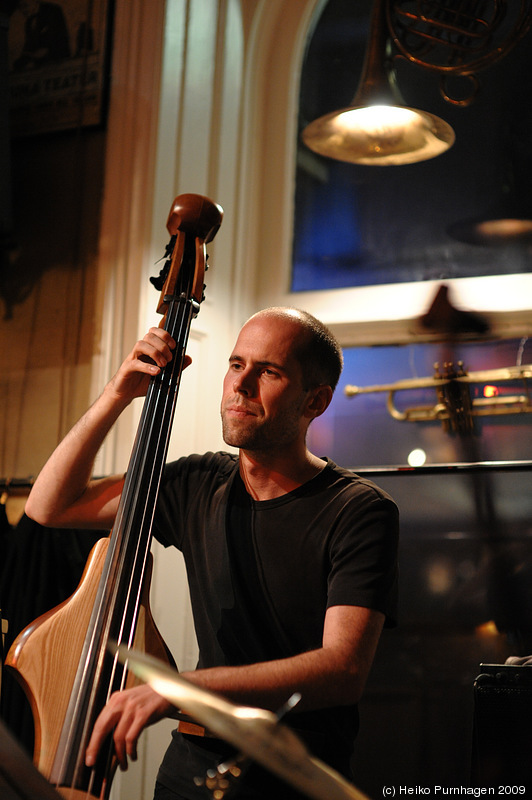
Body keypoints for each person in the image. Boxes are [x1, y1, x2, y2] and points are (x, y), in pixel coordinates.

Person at [25, 306, 399, 799]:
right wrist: (119, 393)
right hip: (190, 770)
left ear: (316, 401)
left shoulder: (359, 510)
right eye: (236, 364)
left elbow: (342, 670)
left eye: (269, 371)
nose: (240, 387)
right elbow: (50, 505)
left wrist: (181, 689)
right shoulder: (199, 482)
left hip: (293, 777)